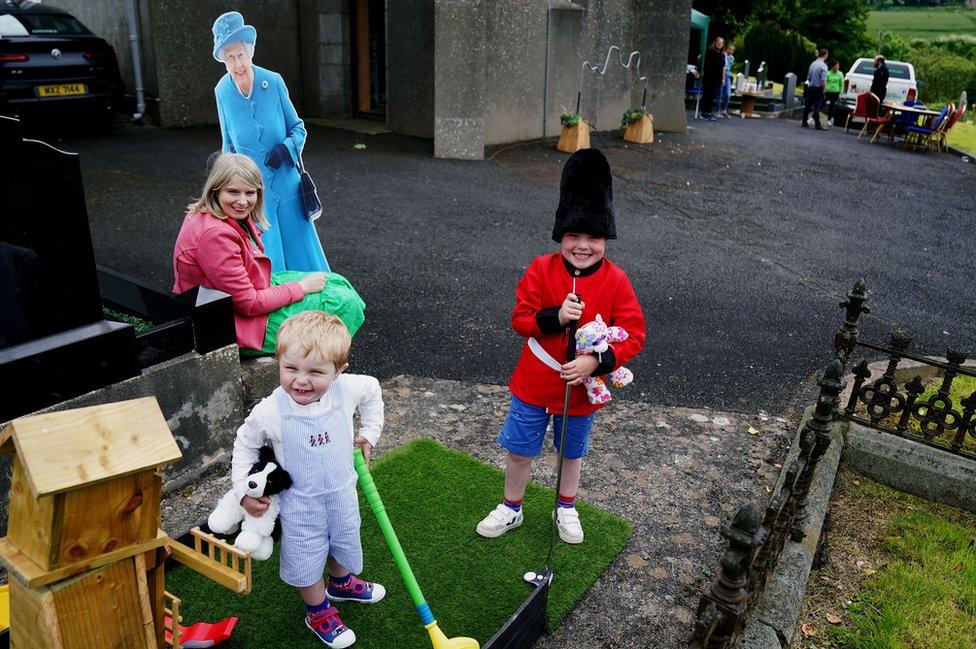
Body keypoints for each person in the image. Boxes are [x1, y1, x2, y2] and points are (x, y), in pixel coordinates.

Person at [476, 149, 646, 545]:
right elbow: (520, 320)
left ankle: (565, 507)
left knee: (571, 454)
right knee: (519, 451)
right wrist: (555, 317)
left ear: (605, 238)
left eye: (593, 237)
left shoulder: (617, 280)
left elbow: (634, 334)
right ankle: (511, 507)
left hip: (580, 392)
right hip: (534, 385)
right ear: (560, 236)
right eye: (573, 236)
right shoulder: (540, 268)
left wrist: (594, 362)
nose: (582, 246)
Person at [232, 311, 384, 648]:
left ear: (338, 371)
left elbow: (373, 392)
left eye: (315, 372)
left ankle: (341, 584)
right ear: (280, 362)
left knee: (343, 540)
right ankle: (317, 610)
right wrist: (243, 489)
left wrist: (369, 434)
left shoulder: (347, 388)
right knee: (306, 556)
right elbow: (245, 442)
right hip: (300, 504)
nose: (301, 381)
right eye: (291, 369)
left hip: (343, 493)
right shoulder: (271, 410)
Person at [173, 153, 365, 355]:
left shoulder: (212, 214)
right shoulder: (215, 236)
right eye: (233, 192)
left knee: (336, 282)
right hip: (234, 325)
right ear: (215, 190)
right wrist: (300, 287)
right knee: (346, 302)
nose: (242, 201)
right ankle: (318, 367)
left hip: (230, 305)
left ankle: (320, 361)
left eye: (250, 192)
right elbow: (249, 303)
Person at [211, 11, 328, 273]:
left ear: (250, 52)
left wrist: (285, 149)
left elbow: (298, 128)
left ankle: (313, 308)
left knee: (303, 252)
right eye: (230, 57)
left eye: (240, 54)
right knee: (267, 258)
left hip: (287, 184)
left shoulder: (273, 82)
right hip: (253, 193)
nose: (237, 63)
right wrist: (226, 192)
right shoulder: (222, 92)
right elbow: (228, 147)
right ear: (223, 60)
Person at [802, 48, 829, 130]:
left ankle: (804, 122)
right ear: (825, 55)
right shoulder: (823, 66)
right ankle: (818, 125)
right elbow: (823, 80)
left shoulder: (812, 64)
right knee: (817, 106)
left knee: (808, 105)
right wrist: (824, 90)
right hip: (818, 88)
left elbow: (809, 76)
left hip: (810, 87)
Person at [701, 37, 726, 121]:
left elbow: (723, 67)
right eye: (718, 42)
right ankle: (704, 113)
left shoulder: (722, 54)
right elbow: (706, 64)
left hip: (717, 78)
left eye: (721, 43)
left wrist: (723, 78)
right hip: (709, 77)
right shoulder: (710, 51)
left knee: (712, 96)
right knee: (707, 95)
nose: (720, 44)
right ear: (715, 43)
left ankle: (709, 111)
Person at [825, 60, 844, 127]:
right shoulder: (828, 73)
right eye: (836, 65)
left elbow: (842, 84)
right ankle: (813, 117)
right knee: (821, 104)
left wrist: (840, 93)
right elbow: (825, 81)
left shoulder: (840, 74)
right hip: (827, 91)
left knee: (832, 106)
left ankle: (829, 120)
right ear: (832, 66)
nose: (838, 67)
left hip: (835, 92)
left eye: (838, 65)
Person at [719, 43, 736, 118]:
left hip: (728, 76)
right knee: (720, 94)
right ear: (726, 49)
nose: (731, 51)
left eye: (732, 50)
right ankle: (718, 110)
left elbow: (729, 67)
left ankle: (724, 110)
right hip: (721, 75)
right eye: (729, 49)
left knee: (728, 95)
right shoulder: (723, 55)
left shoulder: (732, 58)